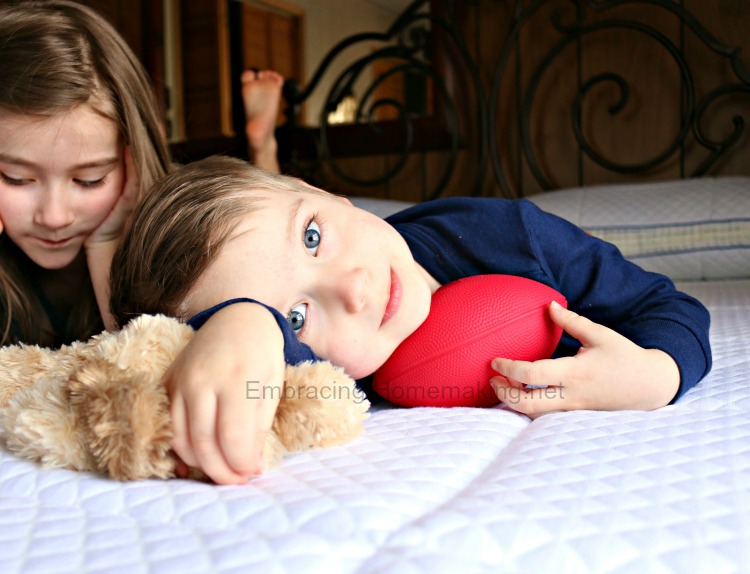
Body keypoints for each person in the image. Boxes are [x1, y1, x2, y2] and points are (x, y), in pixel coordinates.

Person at [109, 155, 712, 485]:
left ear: (320, 189)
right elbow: (260, 385)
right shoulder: (330, 368)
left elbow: (667, 307)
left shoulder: (513, 237)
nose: (353, 286)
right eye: (296, 315)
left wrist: (657, 374)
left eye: (314, 235)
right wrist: (245, 326)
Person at [0, 0, 171, 347]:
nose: (54, 217)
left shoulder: (187, 245)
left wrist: (106, 245)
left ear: (133, 157)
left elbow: (147, 364)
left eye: (89, 180)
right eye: (15, 178)